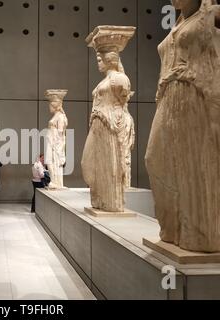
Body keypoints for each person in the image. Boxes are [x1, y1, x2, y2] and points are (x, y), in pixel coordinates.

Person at [145, 0, 220, 252]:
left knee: (193, 165)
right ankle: (172, 229)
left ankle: (196, 235)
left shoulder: (211, 14)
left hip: (193, 97)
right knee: (155, 159)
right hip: (169, 97)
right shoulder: (178, 24)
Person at [81, 26, 135, 212]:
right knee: (89, 164)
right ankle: (100, 199)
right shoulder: (104, 81)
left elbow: (123, 105)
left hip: (109, 126)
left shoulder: (118, 78)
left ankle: (110, 202)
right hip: (98, 126)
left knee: (108, 165)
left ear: (109, 58)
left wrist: (122, 128)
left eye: (99, 59)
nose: (98, 63)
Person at [45, 90, 68, 189]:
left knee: (51, 161)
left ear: (55, 106)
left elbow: (60, 133)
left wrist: (58, 147)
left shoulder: (61, 117)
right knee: (48, 161)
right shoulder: (56, 116)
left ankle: (55, 182)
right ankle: (53, 181)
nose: (49, 107)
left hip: (55, 143)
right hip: (50, 140)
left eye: (50, 105)